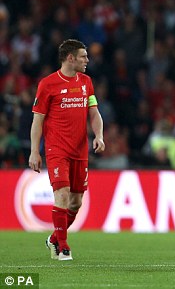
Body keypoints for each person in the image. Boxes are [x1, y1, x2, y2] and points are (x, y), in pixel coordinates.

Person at [29, 39, 105, 261]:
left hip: (80, 150)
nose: (87, 60)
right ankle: (62, 247)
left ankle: (54, 237)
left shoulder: (86, 82)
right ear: (70, 58)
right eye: (83, 56)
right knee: (61, 194)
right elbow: (38, 121)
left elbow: (94, 112)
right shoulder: (48, 84)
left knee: (76, 201)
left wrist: (99, 135)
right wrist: (35, 151)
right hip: (56, 149)